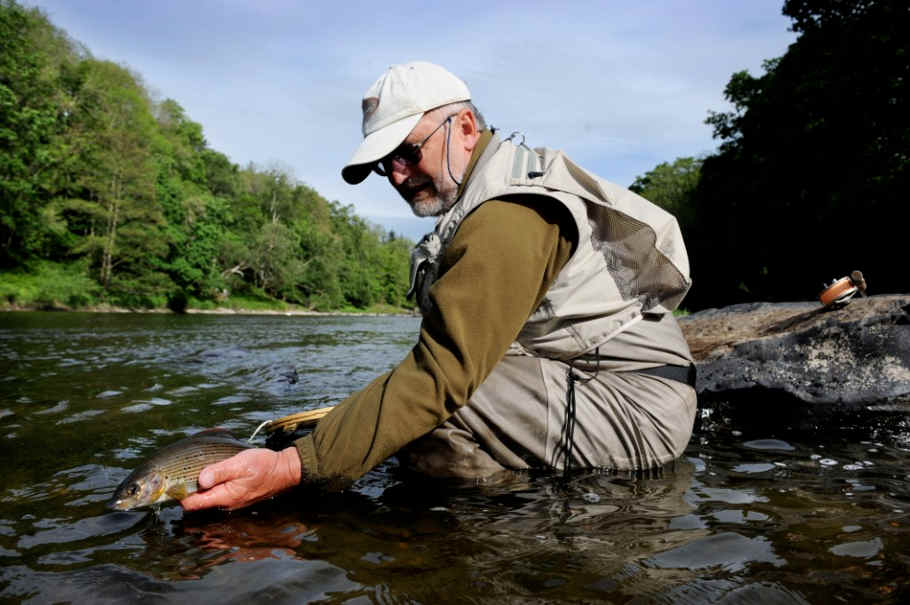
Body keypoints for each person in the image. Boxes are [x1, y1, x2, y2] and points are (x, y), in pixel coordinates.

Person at [181, 61, 697, 511]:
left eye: (407, 151)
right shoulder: (484, 195)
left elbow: (441, 374)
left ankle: (491, 536)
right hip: (595, 388)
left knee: (431, 412)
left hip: (638, 408)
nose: (398, 175)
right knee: (402, 417)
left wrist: (296, 467)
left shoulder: (510, 215)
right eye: (385, 164)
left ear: (466, 125)